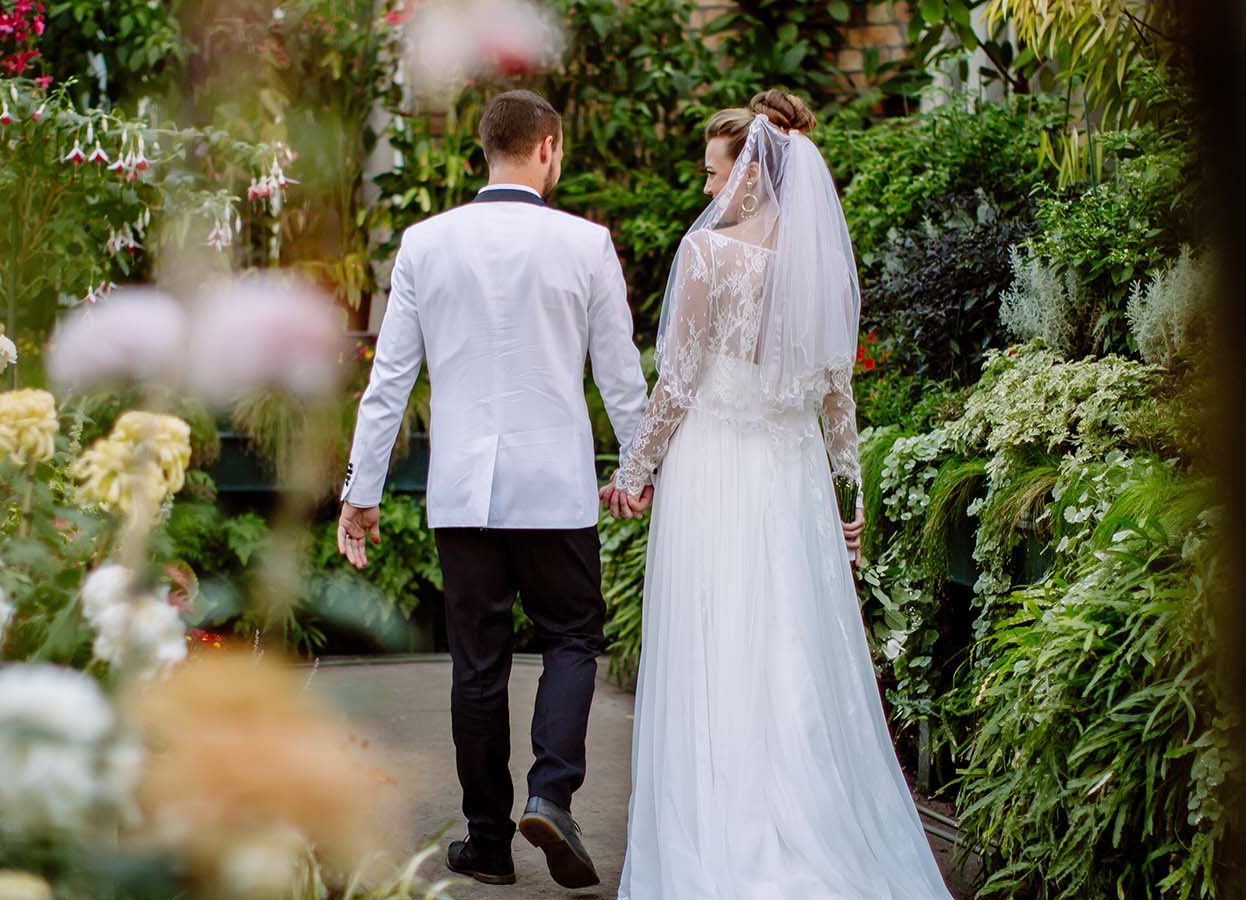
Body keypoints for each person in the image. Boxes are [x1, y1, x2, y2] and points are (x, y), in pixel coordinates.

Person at [604, 90, 954, 899]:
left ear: (752, 178)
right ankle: (815, 822)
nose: (706, 192)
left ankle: (722, 830)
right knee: (791, 643)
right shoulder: (823, 267)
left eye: (713, 175)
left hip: (717, 473)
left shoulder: (710, 260)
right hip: (793, 478)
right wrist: (848, 498)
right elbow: (839, 399)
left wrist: (633, 473)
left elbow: (678, 385)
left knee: (716, 640)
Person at [337, 89, 648, 889]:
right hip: (556, 491)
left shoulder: (425, 243)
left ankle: (487, 843)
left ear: (487, 148)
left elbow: (389, 381)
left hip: (464, 494)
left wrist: (359, 491)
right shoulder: (587, 245)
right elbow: (621, 381)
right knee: (573, 639)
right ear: (547, 147)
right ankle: (551, 791)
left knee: (476, 666)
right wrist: (641, 469)